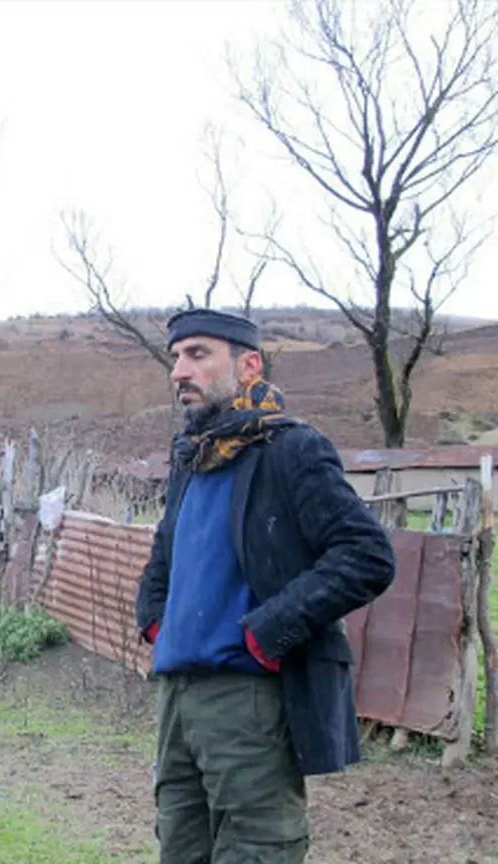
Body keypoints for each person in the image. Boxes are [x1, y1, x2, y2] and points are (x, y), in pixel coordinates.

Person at [135, 308, 396, 863]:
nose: (180, 370)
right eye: (176, 357)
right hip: (178, 696)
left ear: (249, 365)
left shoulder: (291, 449)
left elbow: (366, 554)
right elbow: (167, 548)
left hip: (249, 695)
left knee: (259, 850)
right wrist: (157, 621)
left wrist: (265, 632)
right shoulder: (193, 456)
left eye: (198, 354)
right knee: (179, 848)